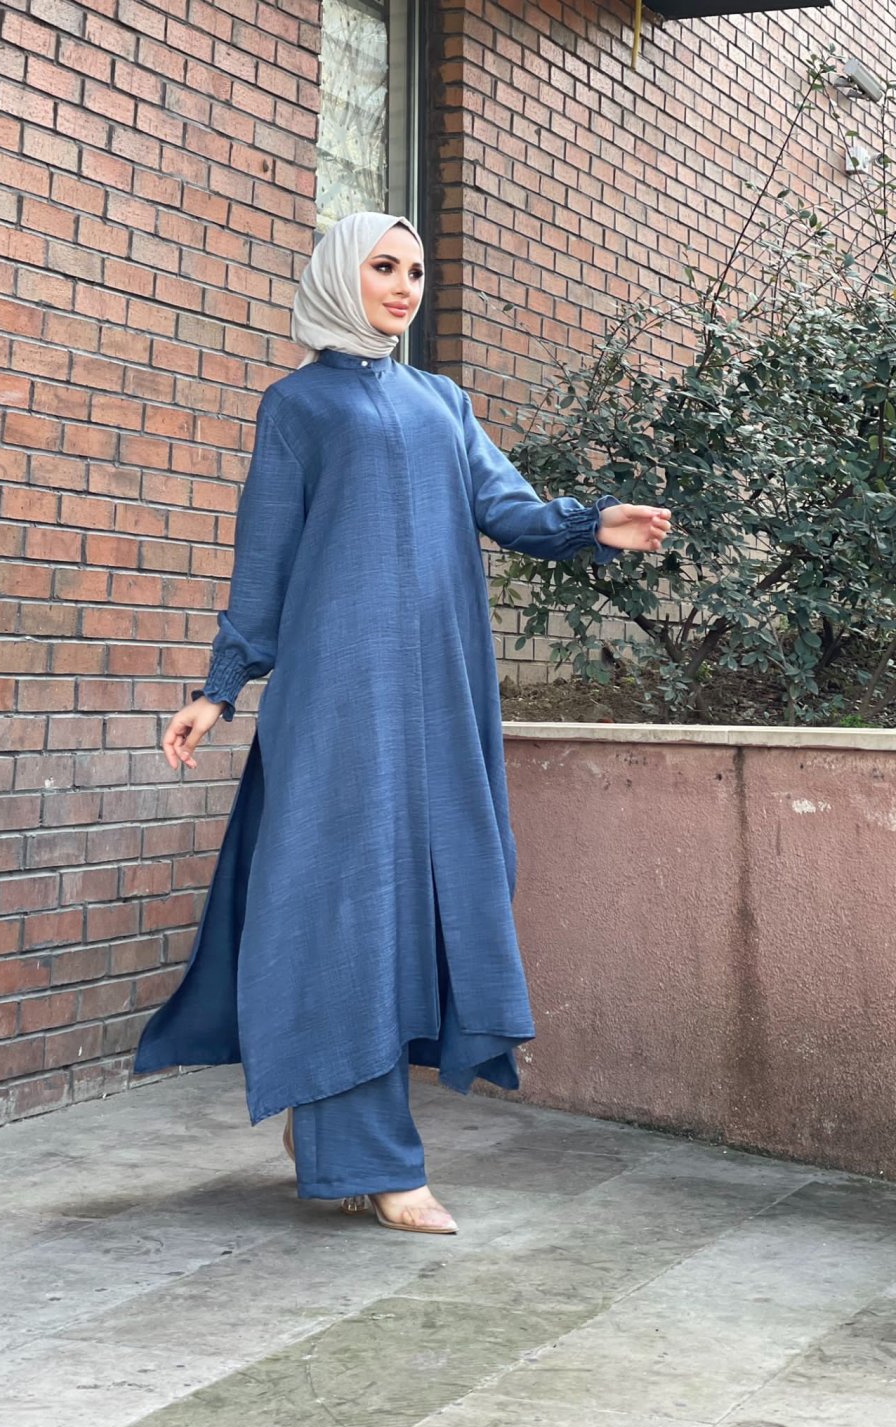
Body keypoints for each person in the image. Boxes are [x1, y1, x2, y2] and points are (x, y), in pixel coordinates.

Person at [133, 212, 672, 1235]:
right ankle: (373, 1158)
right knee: (345, 902)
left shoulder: (442, 401)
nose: (404, 286)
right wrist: (220, 686)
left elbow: (506, 507)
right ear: (341, 274)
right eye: (384, 266)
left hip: (439, 696)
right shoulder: (298, 405)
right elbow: (265, 553)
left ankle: (327, 1123)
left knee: (443, 885)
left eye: (416, 271)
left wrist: (589, 523)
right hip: (337, 696)